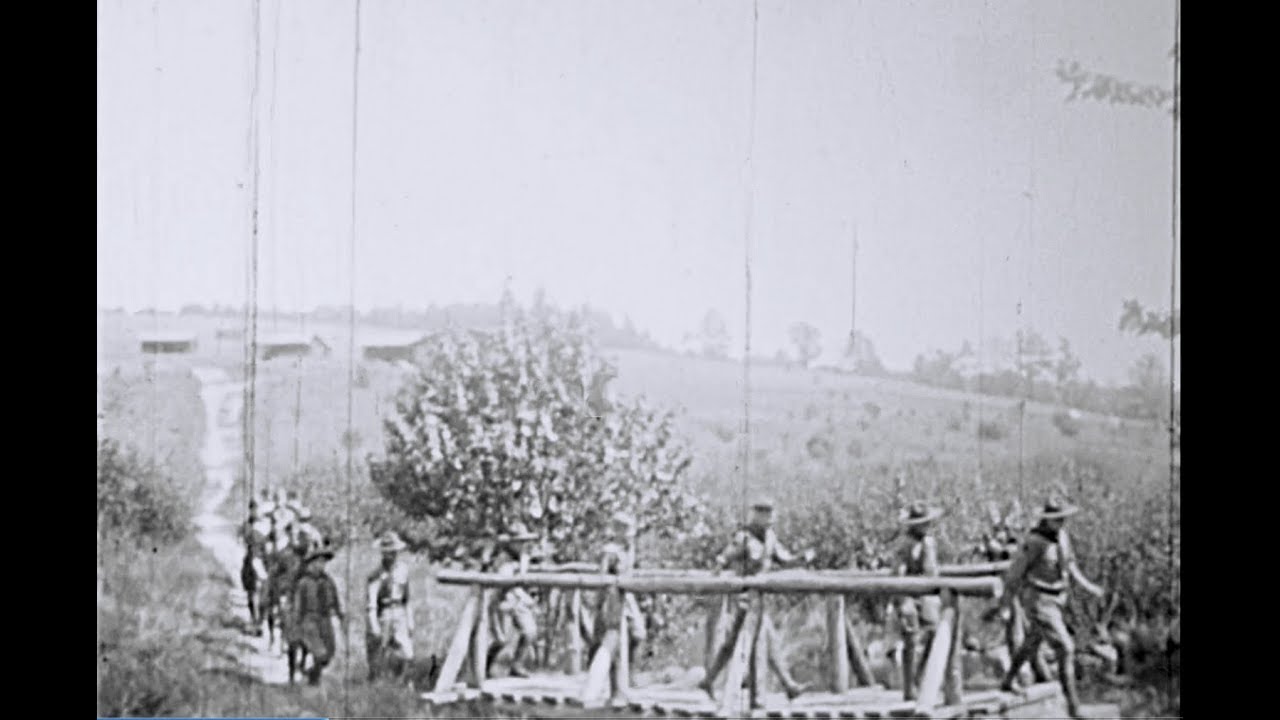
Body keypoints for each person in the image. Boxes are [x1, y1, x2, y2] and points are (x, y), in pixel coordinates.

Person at [698, 498, 815, 707]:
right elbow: (724, 557)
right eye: (765, 513)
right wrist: (718, 571)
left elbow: (784, 559)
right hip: (743, 600)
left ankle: (787, 686)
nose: (770, 518)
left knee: (765, 641)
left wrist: (802, 558)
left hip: (759, 599)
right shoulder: (744, 538)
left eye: (771, 513)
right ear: (756, 515)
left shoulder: (770, 538)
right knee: (743, 643)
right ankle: (768, 692)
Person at [998, 497, 1104, 720]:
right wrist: (1006, 603)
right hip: (1038, 599)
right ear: (1046, 520)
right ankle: (1074, 707)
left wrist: (1088, 586)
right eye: (1056, 519)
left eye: (1063, 518)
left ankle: (1008, 680)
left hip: (1058, 599)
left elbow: (1070, 565)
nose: (1061, 522)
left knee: (1032, 642)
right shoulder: (1034, 542)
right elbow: (1014, 574)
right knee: (1066, 647)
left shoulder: (1063, 537)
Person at [589, 511, 647, 701]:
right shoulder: (610, 550)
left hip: (627, 597)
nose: (630, 535)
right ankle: (613, 686)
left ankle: (628, 676)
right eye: (626, 530)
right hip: (612, 597)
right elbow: (602, 575)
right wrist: (600, 601)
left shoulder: (628, 548)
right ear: (618, 531)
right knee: (611, 639)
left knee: (638, 634)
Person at [893, 503, 942, 701]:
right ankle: (908, 687)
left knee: (935, 632)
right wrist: (902, 600)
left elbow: (933, 568)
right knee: (911, 637)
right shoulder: (904, 544)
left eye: (927, 523)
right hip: (909, 593)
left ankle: (920, 675)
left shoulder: (930, 542)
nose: (927, 526)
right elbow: (898, 573)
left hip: (927, 593)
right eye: (922, 524)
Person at [485, 522, 541, 678]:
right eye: (520, 542)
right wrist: (525, 597)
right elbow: (507, 583)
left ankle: (517, 664)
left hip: (518, 600)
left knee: (530, 632)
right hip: (503, 599)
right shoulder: (503, 559)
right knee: (500, 640)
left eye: (524, 541)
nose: (523, 545)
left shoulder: (524, 556)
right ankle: (485, 666)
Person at [293, 538, 346, 686]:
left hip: (325, 619)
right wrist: (297, 624)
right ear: (311, 563)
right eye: (318, 562)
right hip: (309, 620)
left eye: (323, 562)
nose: (321, 566)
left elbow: (335, 599)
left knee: (329, 653)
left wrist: (340, 614)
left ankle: (312, 673)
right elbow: (298, 605)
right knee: (319, 652)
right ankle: (313, 680)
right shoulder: (304, 583)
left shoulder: (328, 581)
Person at [366, 531, 415, 683]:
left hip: (399, 613)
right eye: (387, 553)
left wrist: (410, 619)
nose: (391, 556)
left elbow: (407, 598)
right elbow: (372, 603)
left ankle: (402, 680)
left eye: (393, 552)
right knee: (379, 652)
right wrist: (373, 624)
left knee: (407, 653)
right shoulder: (375, 575)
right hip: (384, 613)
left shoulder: (403, 570)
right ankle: (375, 684)